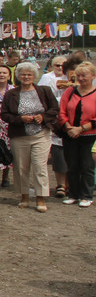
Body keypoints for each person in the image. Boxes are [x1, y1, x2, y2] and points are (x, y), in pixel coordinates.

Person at [0, 62, 59, 212]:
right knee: (21, 168)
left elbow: (55, 109)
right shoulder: (11, 94)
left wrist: (43, 117)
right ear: (18, 76)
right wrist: (21, 119)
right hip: (19, 136)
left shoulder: (44, 91)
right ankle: (24, 196)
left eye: (29, 74)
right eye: (23, 74)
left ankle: (40, 198)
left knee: (40, 167)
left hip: (41, 134)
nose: (26, 77)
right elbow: (5, 114)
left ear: (34, 76)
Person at [57, 61, 96, 207]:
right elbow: (62, 111)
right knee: (72, 165)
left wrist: (81, 129)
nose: (81, 78)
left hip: (89, 135)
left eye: (84, 75)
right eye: (78, 75)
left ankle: (86, 195)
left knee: (87, 166)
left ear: (92, 76)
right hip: (70, 134)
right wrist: (68, 127)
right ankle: (73, 193)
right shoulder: (70, 92)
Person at [39, 56, 70, 198]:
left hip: (72, 119)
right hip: (56, 118)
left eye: (63, 65)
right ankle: (60, 184)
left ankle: (71, 183)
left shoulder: (73, 78)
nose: (60, 68)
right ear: (52, 66)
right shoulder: (47, 78)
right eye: (57, 65)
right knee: (58, 153)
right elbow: (44, 98)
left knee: (72, 154)